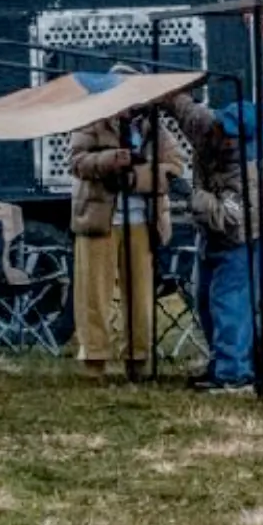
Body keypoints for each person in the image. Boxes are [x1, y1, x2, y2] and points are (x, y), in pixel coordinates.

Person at [68, 94, 180, 379]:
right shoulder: (91, 120)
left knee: (140, 294)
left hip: (143, 220)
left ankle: (138, 357)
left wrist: (135, 178)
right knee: (93, 293)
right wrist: (111, 161)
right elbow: (77, 162)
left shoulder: (154, 127)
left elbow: (174, 168)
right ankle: (94, 359)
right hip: (98, 219)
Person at [163, 92, 263, 392]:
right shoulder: (207, 125)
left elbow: (228, 216)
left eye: (231, 136)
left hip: (240, 241)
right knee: (205, 303)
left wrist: (190, 194)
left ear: (244, 140)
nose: (222, 137)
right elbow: (181, 107)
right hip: (211, 236)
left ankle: (235, 375)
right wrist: (161, 95)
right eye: (222, 128)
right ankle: (220, 364)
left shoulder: (248, 172)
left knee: (229, 304)